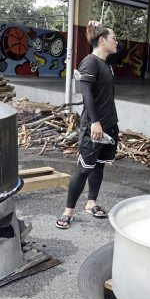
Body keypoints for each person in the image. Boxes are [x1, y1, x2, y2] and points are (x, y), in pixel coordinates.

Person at [56, 21, 119, 229]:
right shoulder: (89, 62)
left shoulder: (107, 64)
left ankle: (91, 203)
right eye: (114, 38)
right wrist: (95, 122)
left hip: (109, 124)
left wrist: (99, 29)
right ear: (103, 41)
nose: (117, 42)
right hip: (95, 125)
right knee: (84, 169)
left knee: (99, 166)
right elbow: (87, 95)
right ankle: (68, 212)